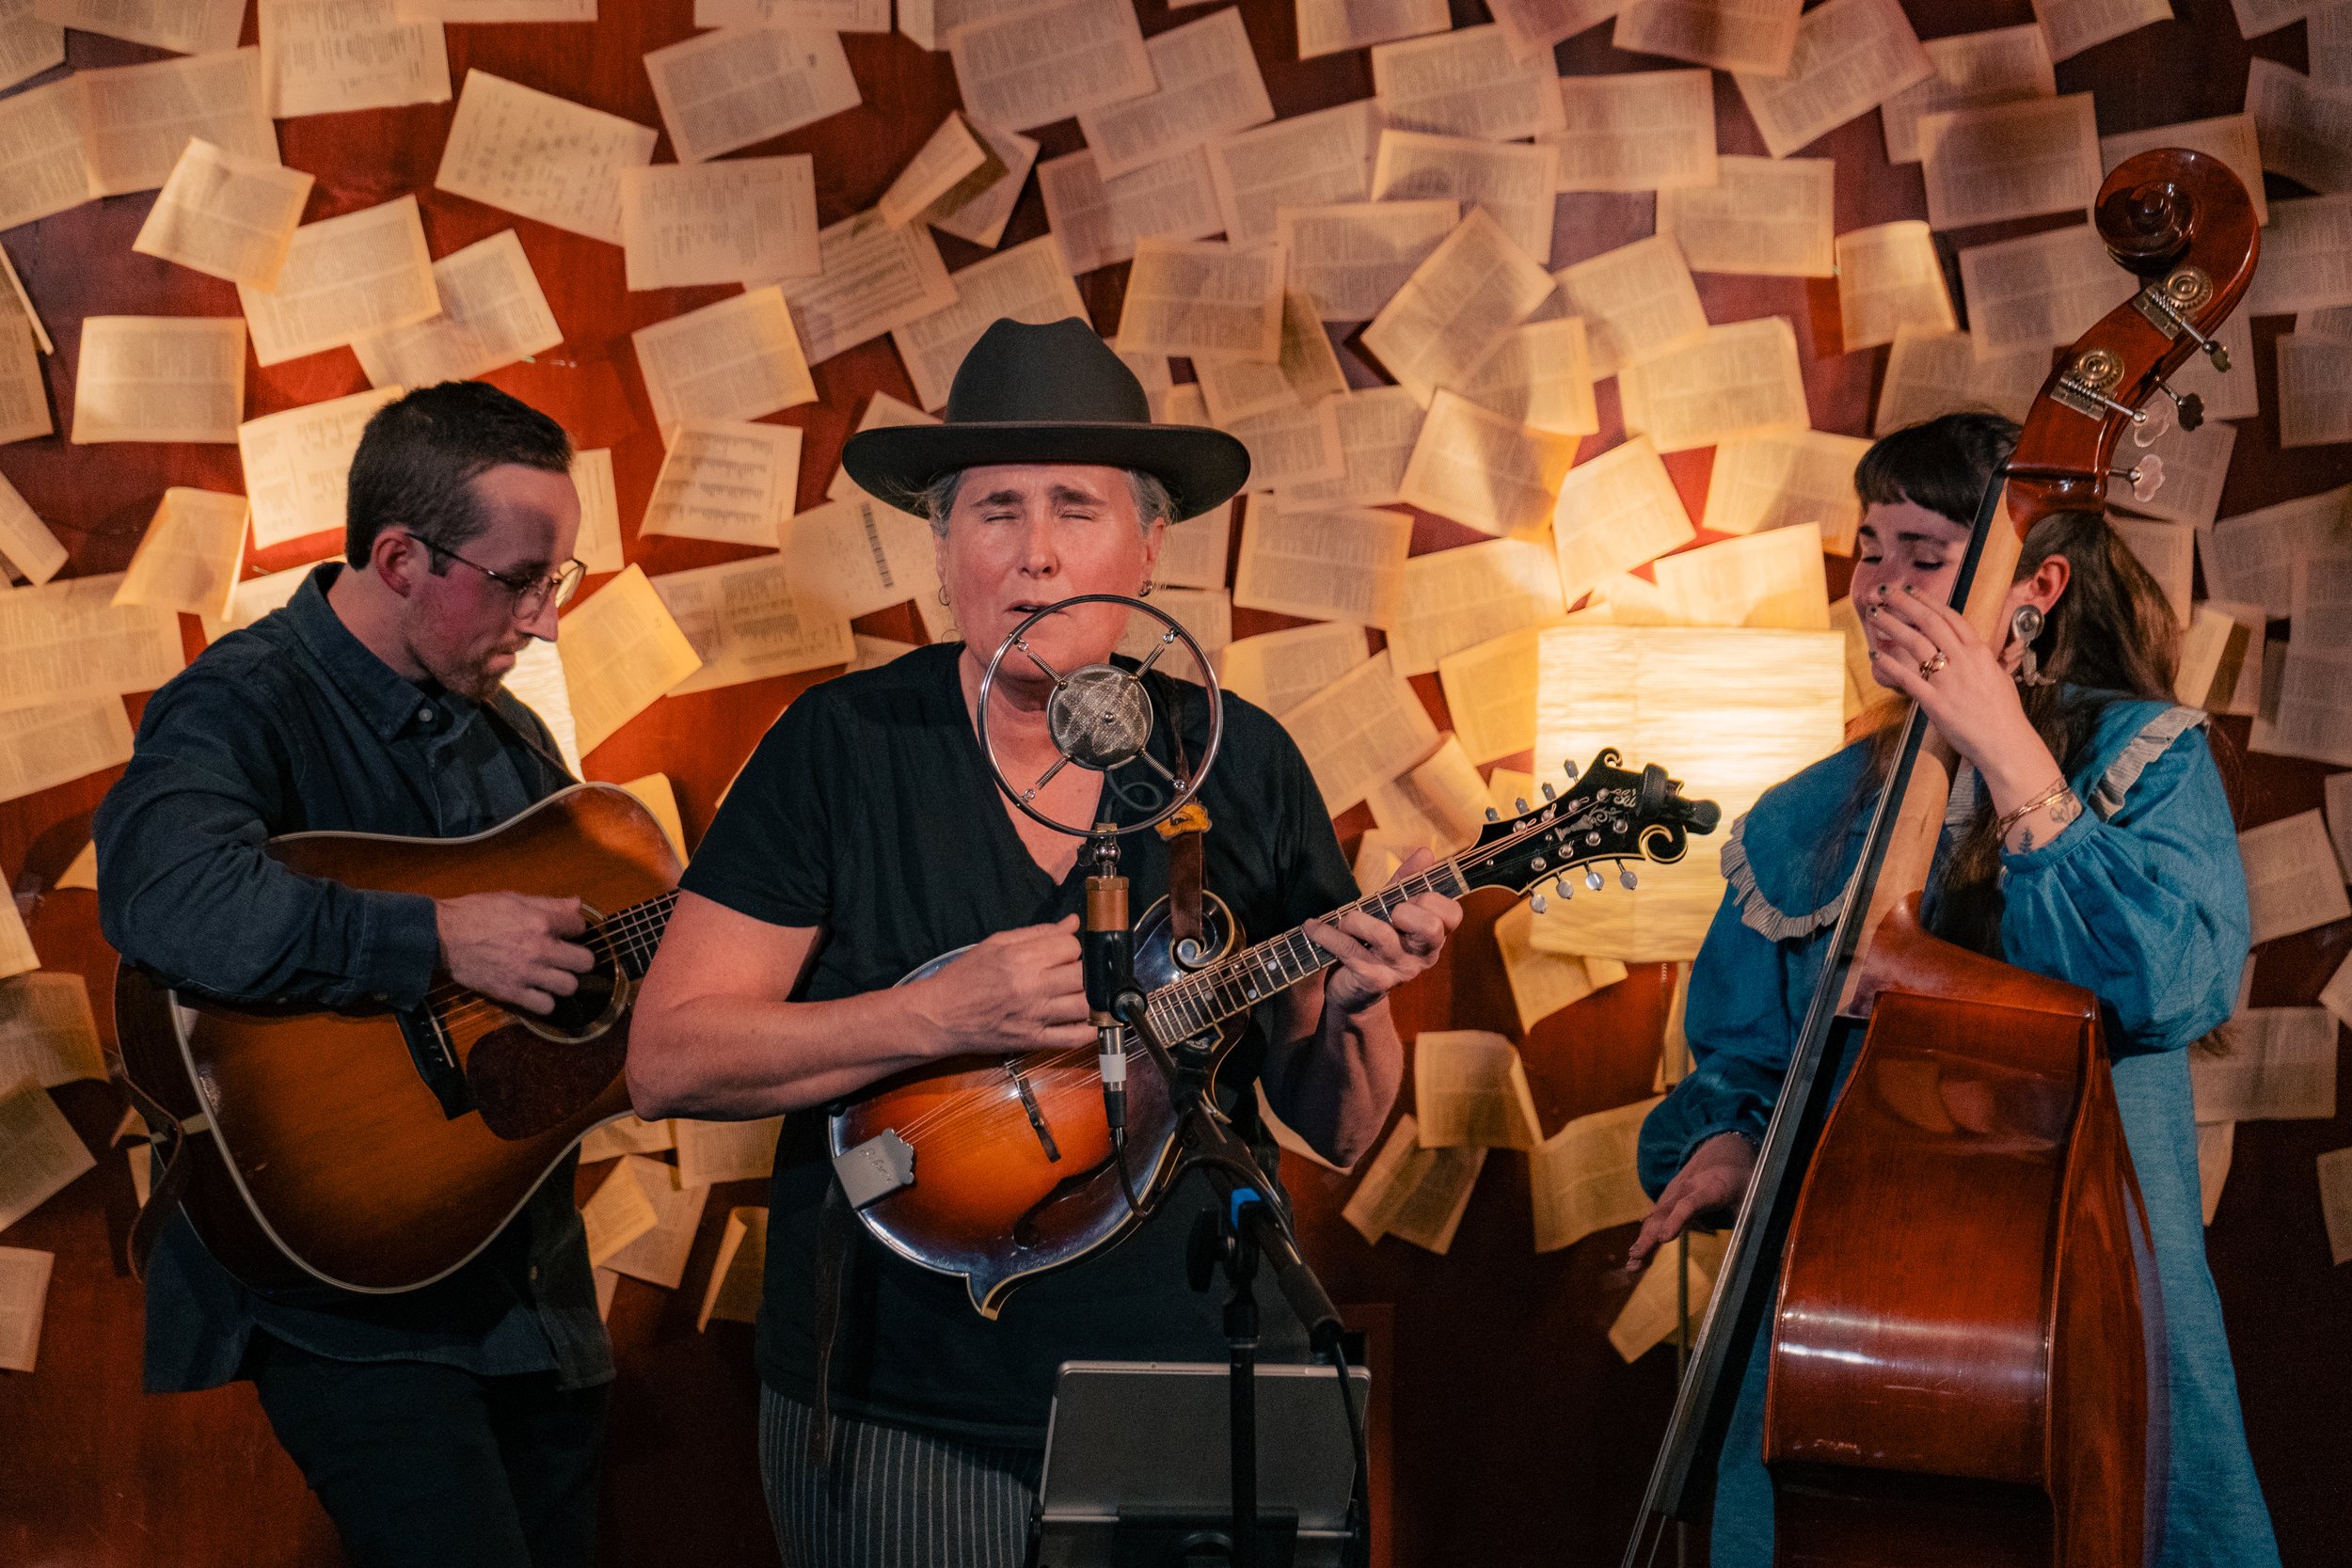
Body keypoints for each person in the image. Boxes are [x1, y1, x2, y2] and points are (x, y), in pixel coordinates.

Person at [627, 316, 1461, 1567]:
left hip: (1188, 1387)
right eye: (995, 510)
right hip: (911, 1405)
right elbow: (668, 1059)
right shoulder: (840, 747)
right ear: (942, 547)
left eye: (1077, 506)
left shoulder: (1237, 758)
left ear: (1149, 544)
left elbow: (1337, 1127)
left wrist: (1358, 1004)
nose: (1037, 552)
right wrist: (934, 1014)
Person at [1624, 411, 2280, 1566]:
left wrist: (2006, 750)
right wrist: (1728, 1143)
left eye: (1923, 555)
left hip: (2083, 1302)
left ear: (2035, 588)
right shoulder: (1809, 809)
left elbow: (2171, 984)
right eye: (1868, 548)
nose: (1879, 584)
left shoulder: (2141, 757)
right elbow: (1744, 1053)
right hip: (1849, 1308)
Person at [95, 382, 612, 1568]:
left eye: (558, 582)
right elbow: (170, 897)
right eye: (519, 581)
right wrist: (437, 940)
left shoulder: (512, 738)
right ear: (399, 558)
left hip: (534, 1293)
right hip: (349, 1305)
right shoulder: (242, 700)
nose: (543, 623)